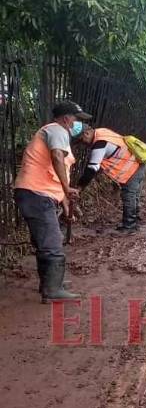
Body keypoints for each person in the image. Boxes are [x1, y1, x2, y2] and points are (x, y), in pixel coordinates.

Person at [13, 101, 87, 302]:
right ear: (66, 118)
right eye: (76, 119)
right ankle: (52, 291)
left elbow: (55, 174)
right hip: (36, 193)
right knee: (52, 242)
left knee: (44, 241)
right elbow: (56, 158)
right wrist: (66, 188)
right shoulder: (57, 130)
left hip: (37, 193)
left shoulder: (55, 133)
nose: (77, 124)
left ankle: (50, 284)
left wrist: (66, 204)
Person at [76, 127, 146, 234]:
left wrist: (79, 187)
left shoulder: (99, 144)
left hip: (131, 168)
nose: (83, 144)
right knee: (134, 195)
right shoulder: (102, 132)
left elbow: (92, 168)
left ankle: (130, 225)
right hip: (137, 163)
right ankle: (134, 219)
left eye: (81, 140)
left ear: (86, 133)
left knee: (129, 196)